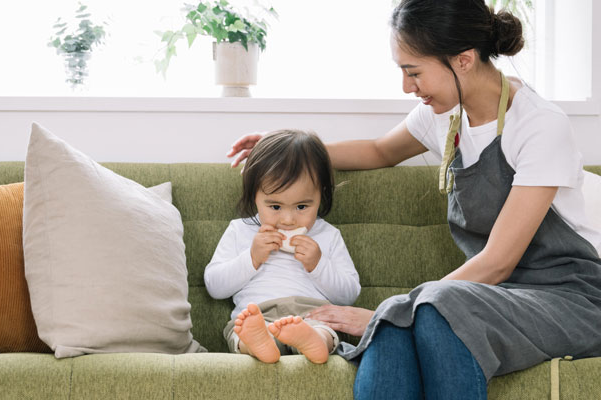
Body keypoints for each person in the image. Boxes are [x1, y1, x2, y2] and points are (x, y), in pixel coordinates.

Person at [225, 0, 601, 398]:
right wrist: (287, 150)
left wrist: (395, 308)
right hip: (491, 297)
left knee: (422, 310)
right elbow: (378, 151)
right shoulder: (445, 114)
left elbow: (497, 262)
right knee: (399, 331)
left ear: (463, 60)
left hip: (568, 297)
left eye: (414, 72)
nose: (407, 86)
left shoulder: (538, 125)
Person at [205, 129, 361, 364]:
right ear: (254, 196)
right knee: (242, 332)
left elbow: (349, 293)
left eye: (302, 207)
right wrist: (252, 258)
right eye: (275, 207)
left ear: (321, 196)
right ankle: (259, 344)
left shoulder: (328, 235)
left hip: (313, 314)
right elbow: (215, 286)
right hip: (258, 314)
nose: (288, 220)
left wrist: (318, 265)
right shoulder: (241, 230)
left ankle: (314, 341)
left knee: (324, 330)